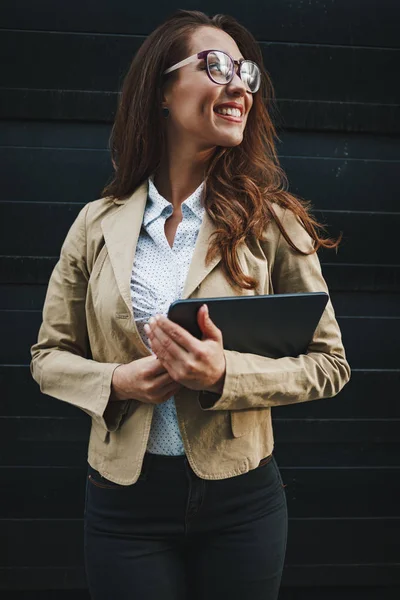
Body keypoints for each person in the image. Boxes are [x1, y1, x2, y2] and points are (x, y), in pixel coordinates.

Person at [30, 9, 350, 600]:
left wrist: (225, 373)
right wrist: (118, 382)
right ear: (161, 90)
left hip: (242, 500)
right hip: (124, 502)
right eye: (217, 66)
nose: (239, 87)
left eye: (246, 74)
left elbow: (330, 365)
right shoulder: (95, 225)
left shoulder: (272, 222)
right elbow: (48, 357)